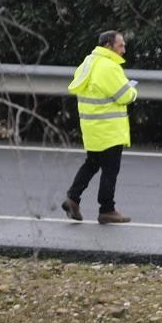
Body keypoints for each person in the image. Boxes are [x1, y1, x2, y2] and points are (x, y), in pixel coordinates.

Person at [62, 30, 138, 224]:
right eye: (120, 45)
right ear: (108, 46)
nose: (123, 50)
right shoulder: (109, 67)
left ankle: (73, 198)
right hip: (109, 128)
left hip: (92, 126)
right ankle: (107, 209)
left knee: (92, 164)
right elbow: (124, 96)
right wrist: (132, 91)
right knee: (110, 169)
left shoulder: (88, 62)